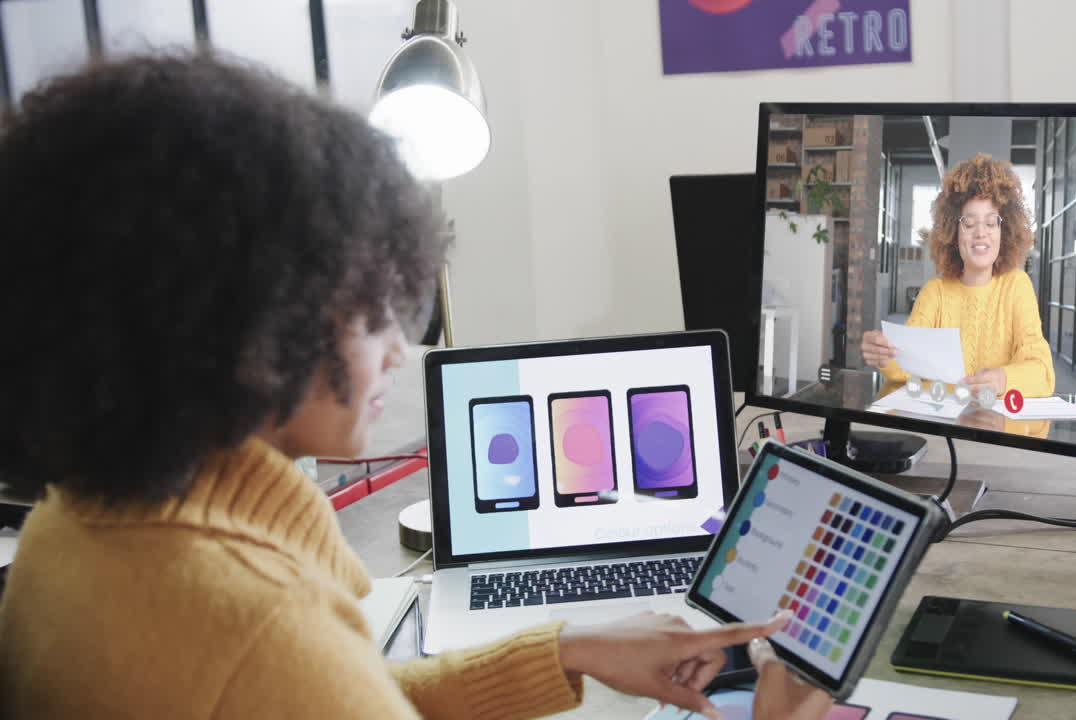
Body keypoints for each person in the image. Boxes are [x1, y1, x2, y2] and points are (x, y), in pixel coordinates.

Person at [0, 55, 832, 720]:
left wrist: (568, 649)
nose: (402, 348)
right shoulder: (254, 629)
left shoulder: (69, 526)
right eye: (370, 307)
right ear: (242, 316)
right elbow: (301, 681)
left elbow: (349, 696)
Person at [861, 153, 1055, 399]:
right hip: (945, 426)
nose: (980, 233)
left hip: (998, 428)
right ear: (953, 232)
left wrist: (1004, 379)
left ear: (1004, 231)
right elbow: (906, 367)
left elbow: (1043, 373)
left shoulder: (1017, 286)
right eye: (969, 223)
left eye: (991, 223)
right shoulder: (935, 292)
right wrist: (884, 353)